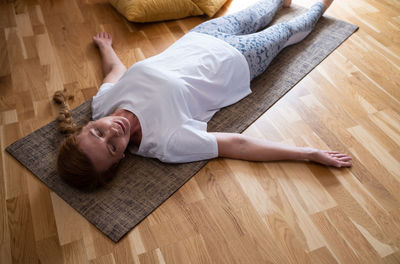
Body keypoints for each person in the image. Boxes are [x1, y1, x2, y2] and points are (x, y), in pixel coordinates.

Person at [53, 0, 352, 190]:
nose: (112, 134)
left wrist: (105, 48)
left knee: (263, 6)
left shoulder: (103, 104)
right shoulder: (167, 143)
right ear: (119, 160)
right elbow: (238, 146)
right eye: (112, 149)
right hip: (240, 61)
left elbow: (115, 73)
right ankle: (322, 5)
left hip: (202, 37)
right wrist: (308, 154)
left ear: (86, 126)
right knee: (292, 29)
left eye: (96, 133)